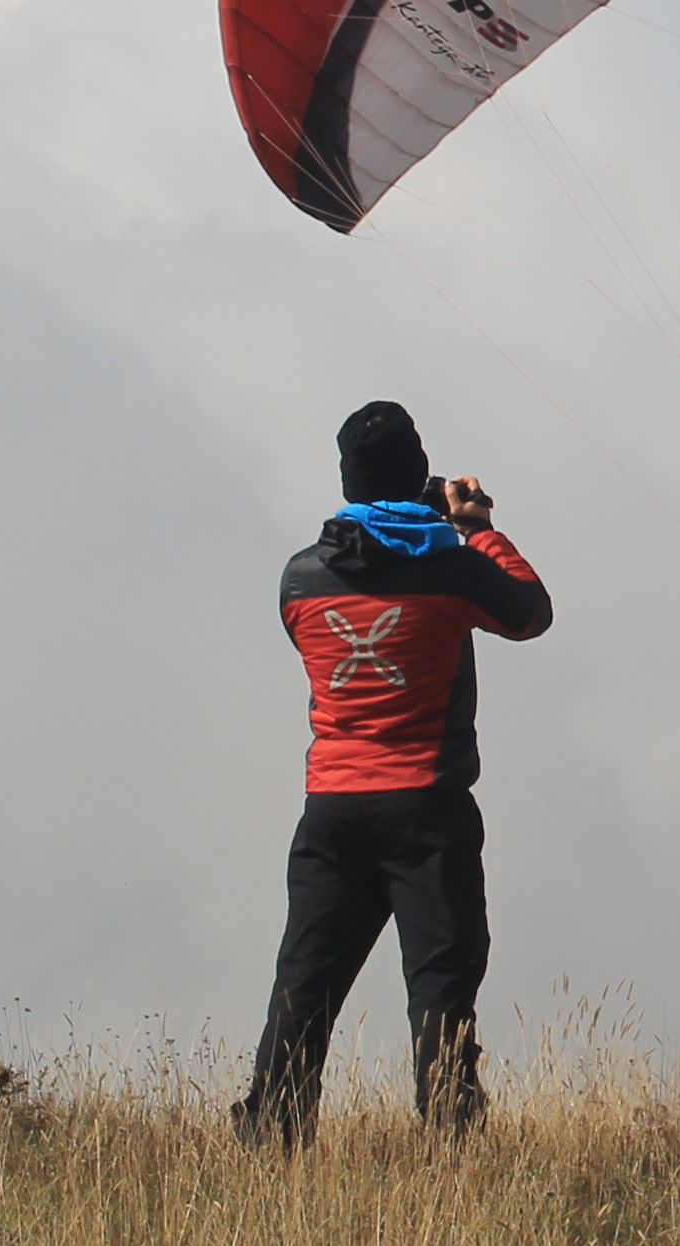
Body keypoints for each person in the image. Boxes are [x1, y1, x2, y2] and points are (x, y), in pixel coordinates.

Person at [235, 401, 553, 1147]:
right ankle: (450, 1139)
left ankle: (270, 1140)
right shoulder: (453, 569)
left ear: (348, 481)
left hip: (332, 809)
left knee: (304, 984)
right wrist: (473, 525)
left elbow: (350, 584)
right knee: (440, 986)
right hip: (426, 807)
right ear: (416, 472)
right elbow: (529, 613)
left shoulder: (299, 579)